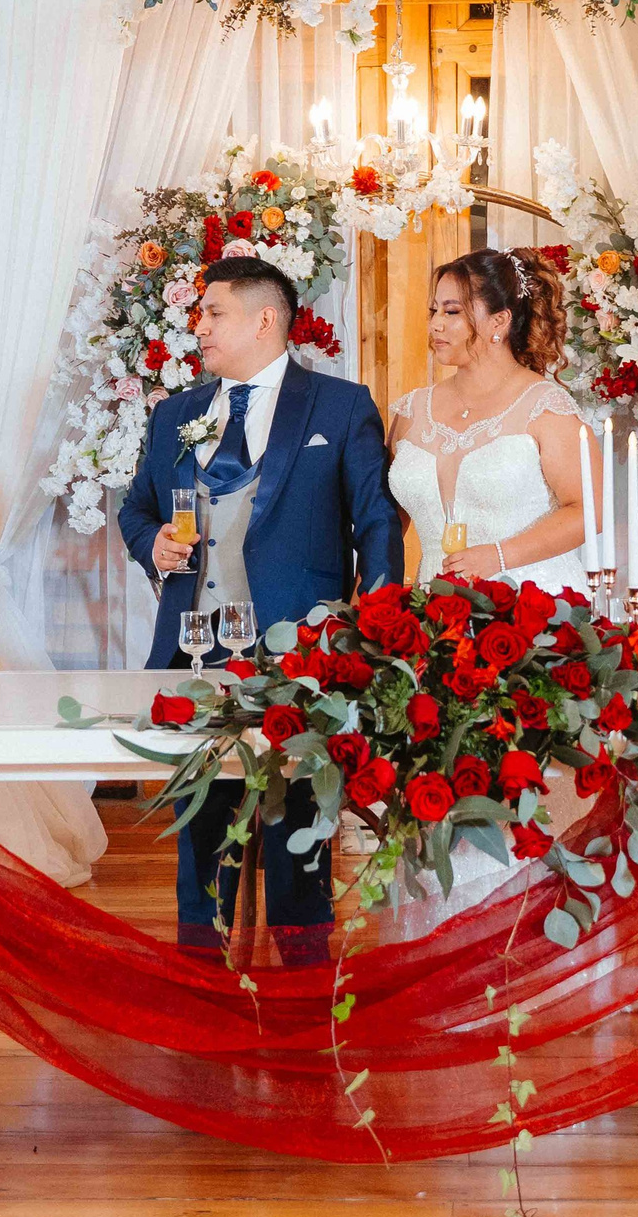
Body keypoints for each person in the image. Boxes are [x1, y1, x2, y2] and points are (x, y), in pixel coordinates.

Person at [116, 255, 400, 956]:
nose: (199, 326)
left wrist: (373, 636)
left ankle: (304, 993)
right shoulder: (177, 413)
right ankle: (203, 994)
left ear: (264, 318)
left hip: (301, 667)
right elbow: (136, 507)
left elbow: (378, 524)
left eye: (213, 312)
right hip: (191, 662)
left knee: (298, 847)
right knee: (201, 850)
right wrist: (153, 542)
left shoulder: (340, 406)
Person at [387, 249, 592, 593]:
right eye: (434, 310)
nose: (436, 323)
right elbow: (388, 523)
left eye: (452, 311)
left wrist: (498, 556)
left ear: (500, 321)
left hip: (535, 610)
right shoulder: (411, 411)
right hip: (435, 615)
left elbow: (588, 510)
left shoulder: (545, 406)